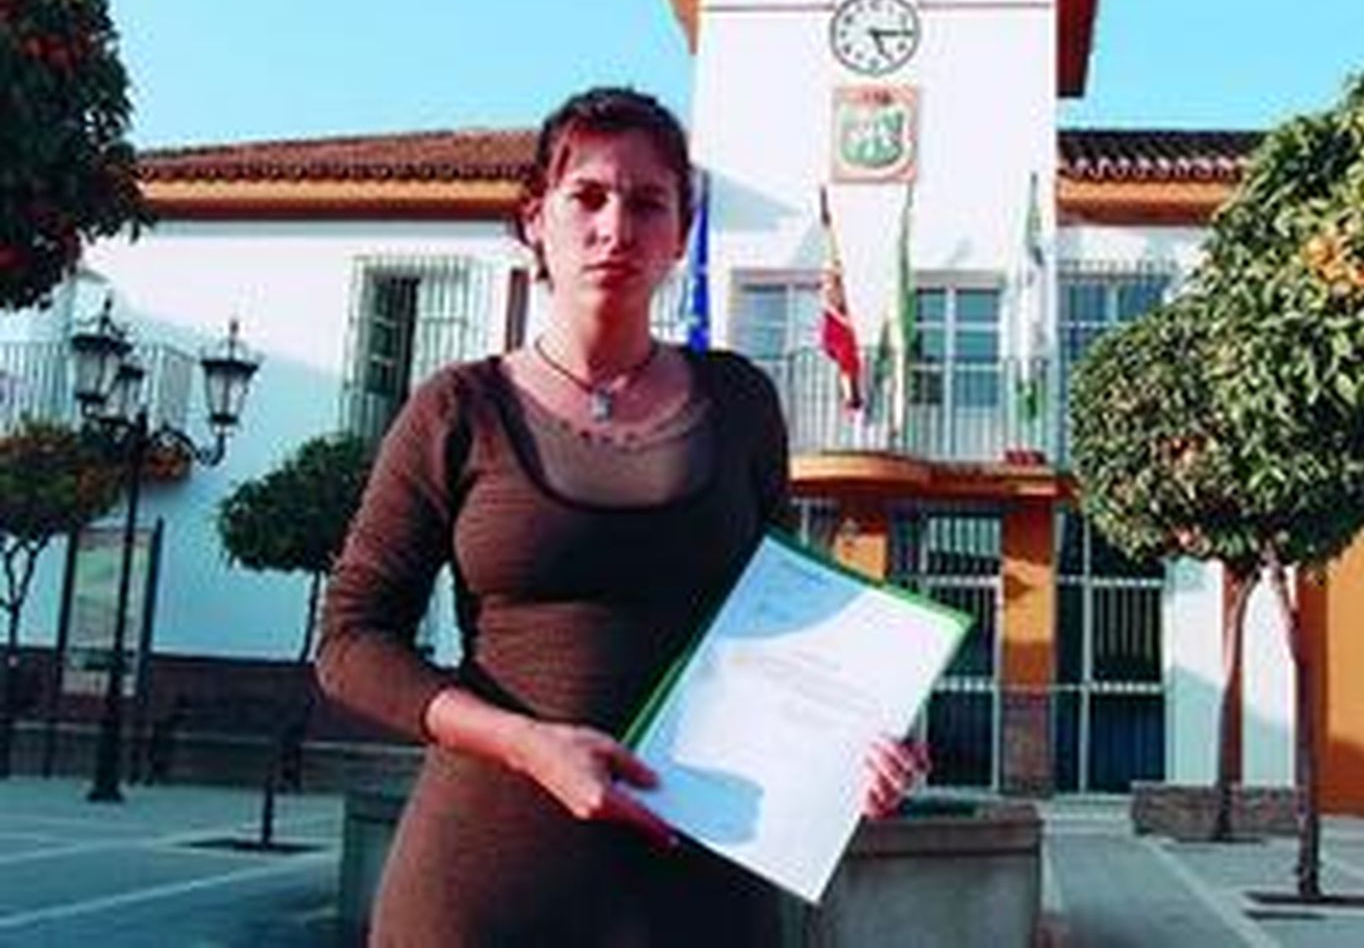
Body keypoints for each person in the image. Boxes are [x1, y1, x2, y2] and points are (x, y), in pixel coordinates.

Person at [317, 86, 924, 946]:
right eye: (588, 196)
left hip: (704, 893)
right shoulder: (456, 410)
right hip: (483, 889)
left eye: (648, 202)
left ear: (680, 232)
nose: (617, 226)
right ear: (536, 220)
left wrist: (858, 739)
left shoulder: (741, 404)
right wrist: (526, 743)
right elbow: (349, 643)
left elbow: (775, 628)